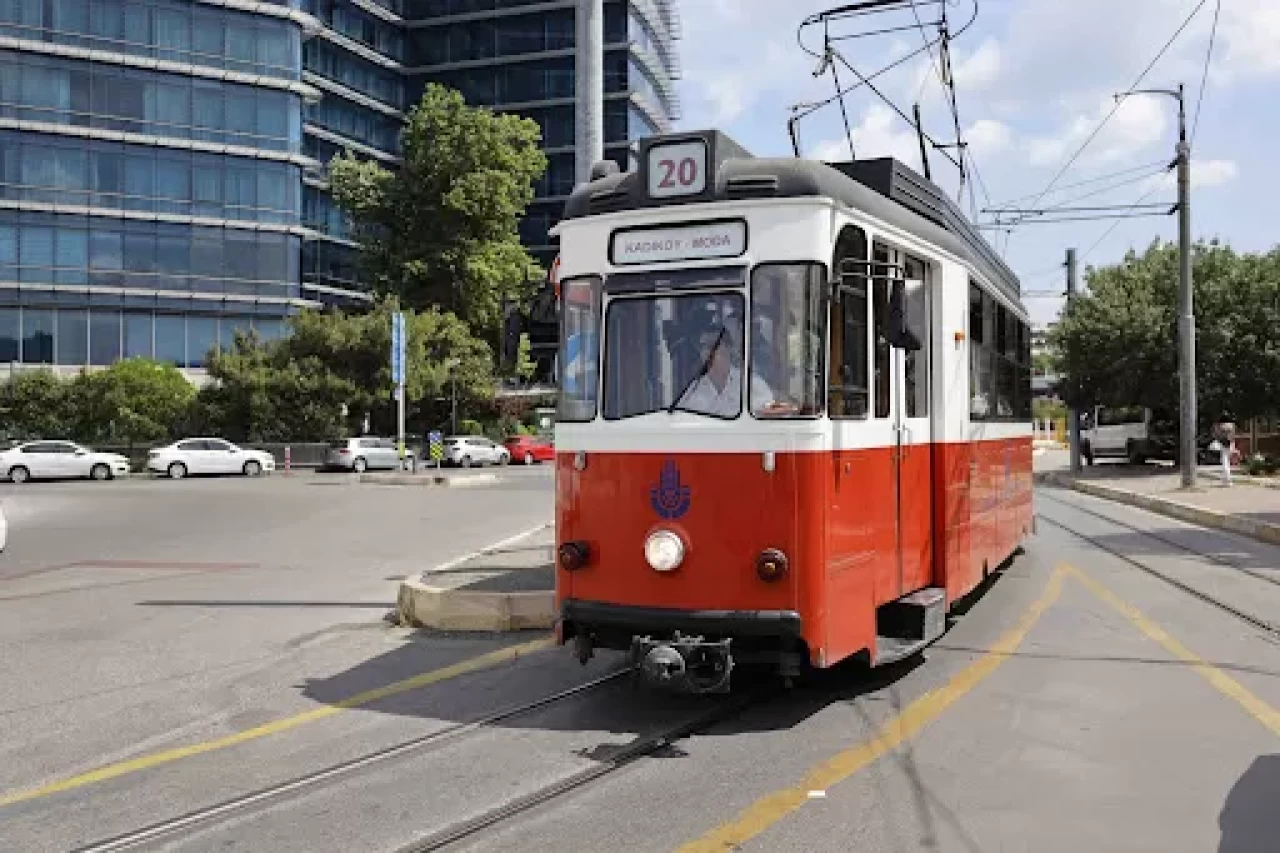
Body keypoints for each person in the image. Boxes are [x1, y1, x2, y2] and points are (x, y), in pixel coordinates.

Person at [675, 327, 775, 418]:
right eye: (703, 346)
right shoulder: (692, 391)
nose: (707, 351)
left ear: (729, 348)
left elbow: (769, 418)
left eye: (712, 345)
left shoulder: (753, 385)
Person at [1211, 414, 1237, 486]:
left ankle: (1227, 480)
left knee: (1225, 463)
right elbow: (1233, 436)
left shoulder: (1220, 426)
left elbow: (1216, 435)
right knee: (1227, 463)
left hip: (1223, 445)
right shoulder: (1232, 426)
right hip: (1230, 444)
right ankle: (1226, 480)